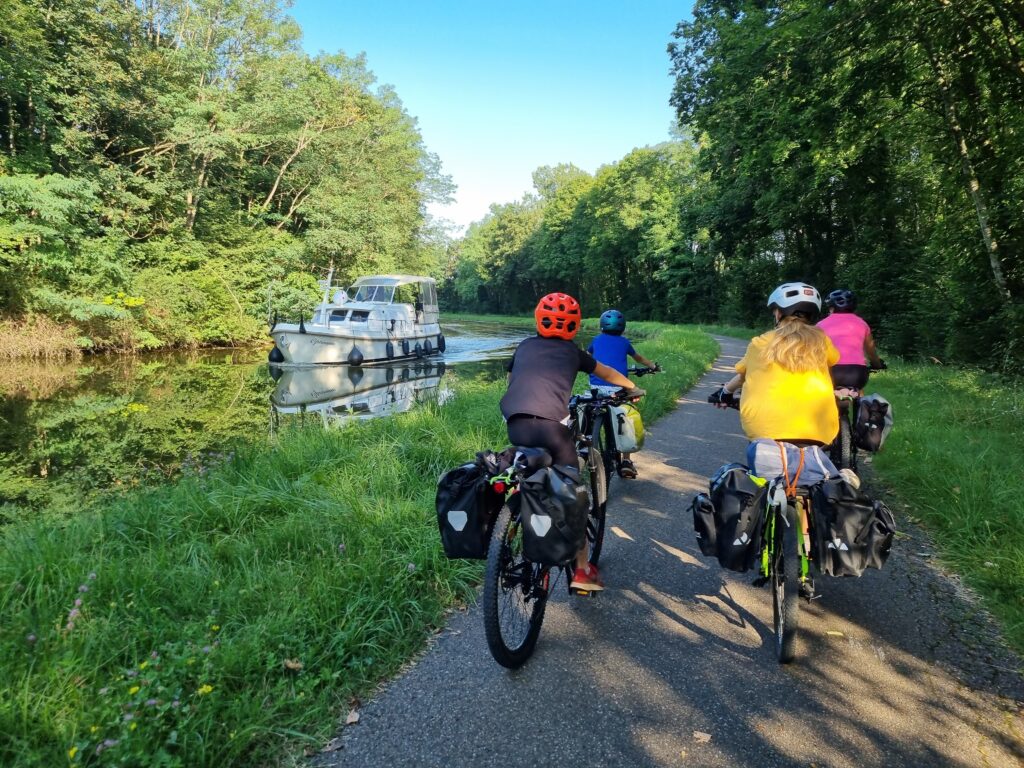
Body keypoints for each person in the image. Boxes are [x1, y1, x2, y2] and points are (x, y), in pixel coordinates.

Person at [501, 292, 642, 593]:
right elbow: (608, 373)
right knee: (574, 495)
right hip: (552, 430)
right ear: (575, 326)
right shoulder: (573, 352)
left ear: (538, 319)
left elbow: (512, 382)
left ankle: (517, 519)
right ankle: (581, 571)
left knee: (531, 470)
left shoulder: (524, 346)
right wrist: (633, 387)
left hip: (515, 425)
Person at [708, 282, 840, 480]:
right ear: (812, 314)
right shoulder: (822, 341)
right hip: (819, 428)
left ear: (779, 313)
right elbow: (832, 364)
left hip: (765, 429)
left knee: (764, 486)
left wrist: (725, 392)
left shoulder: (760, 342)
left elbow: (744, 375)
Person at [586, 309, 658, 479]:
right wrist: (653, 366)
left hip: (596, 387)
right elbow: (639, 359)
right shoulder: (625, 342)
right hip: (618, 387)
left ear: (601, 327)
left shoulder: (595, 340)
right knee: (626, 412)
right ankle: (626, 460)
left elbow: (588, 357)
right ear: (623, 328)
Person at [816, 289, 884, 390]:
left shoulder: (820, 325)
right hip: (857, 373)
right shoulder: (862, 324)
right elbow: (870, 350)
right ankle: (860, 404)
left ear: (831, 308)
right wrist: (877, 364)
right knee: (858, 391)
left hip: (830, 372)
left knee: (828, 396)